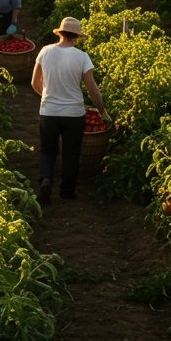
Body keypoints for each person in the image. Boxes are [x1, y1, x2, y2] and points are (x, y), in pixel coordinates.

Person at [31, 16, 109, 204]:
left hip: (49, 111)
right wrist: (103, 111)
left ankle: (46, 179)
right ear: (76, 37)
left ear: (61, 33)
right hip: (74, 113)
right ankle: (67, 191)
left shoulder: (45, 51)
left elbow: (34, 82)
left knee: (47, 149)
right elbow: (92, 89)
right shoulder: (82, 57)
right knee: (71, 152)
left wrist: (48, 97)